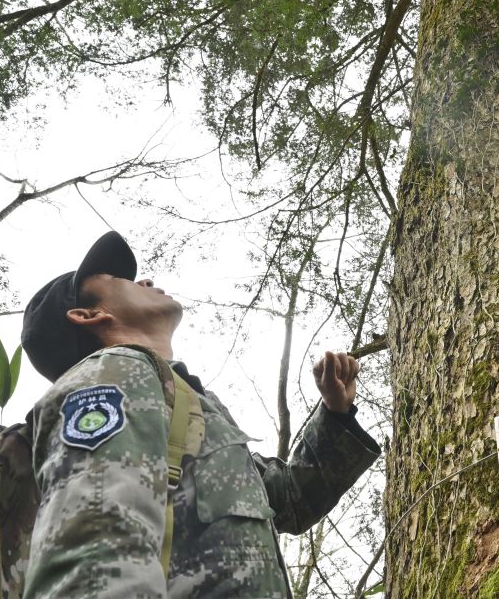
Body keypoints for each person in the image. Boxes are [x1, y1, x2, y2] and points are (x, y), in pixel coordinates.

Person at [19, 231, 381, 598]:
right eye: (119, 280)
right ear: (88, 315)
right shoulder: (110, 374)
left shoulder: (183, 400)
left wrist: (336, 413)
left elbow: (290, 500)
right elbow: (95, 541)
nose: (145, 281)